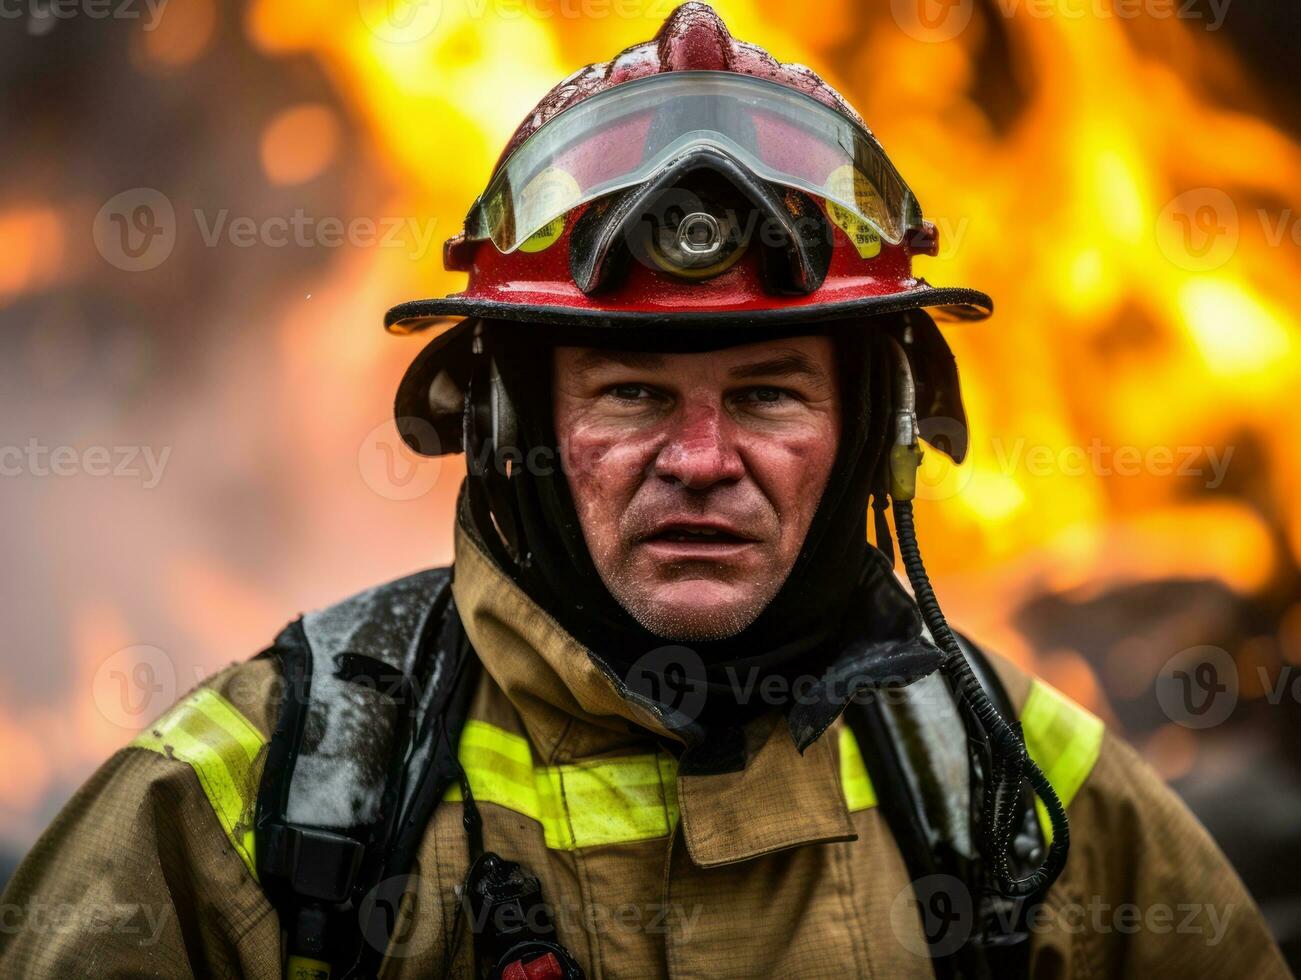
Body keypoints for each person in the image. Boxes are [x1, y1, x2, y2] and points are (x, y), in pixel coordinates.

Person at [0, 4, 1290, 978]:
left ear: (871, 430)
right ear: (509, 425)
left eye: (771, 395)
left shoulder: (1020, 801)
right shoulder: (259, 811)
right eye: (630, 394)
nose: (702, 459)